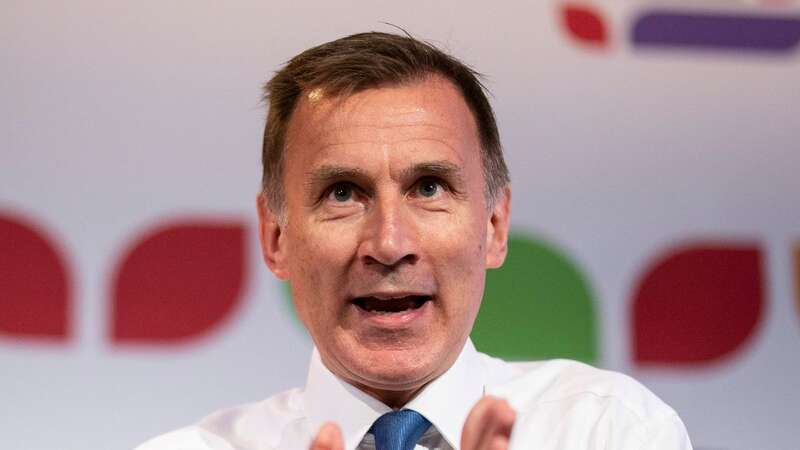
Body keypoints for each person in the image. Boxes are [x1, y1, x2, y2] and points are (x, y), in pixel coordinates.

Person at [136, 31, 692, 450]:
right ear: (276, 237)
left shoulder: (608, 430)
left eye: (429, 187)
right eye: (342, 193)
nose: (389, 242)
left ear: (494, 227)